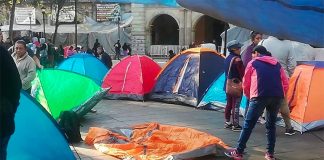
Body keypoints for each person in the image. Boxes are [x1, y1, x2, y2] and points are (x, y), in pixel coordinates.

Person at [225, 45, 289, 160]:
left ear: (256, 53)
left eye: (252, 54)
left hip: (259, 96)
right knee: (271, 125)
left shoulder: (253, 63)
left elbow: (246, 83)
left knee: (248, 125)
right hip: (276, 96)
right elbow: (285, 82)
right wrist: (280, 95)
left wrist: (250, 96)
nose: (252, 56)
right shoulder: (277, 64)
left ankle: (239, 152)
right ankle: (270, 153)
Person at [260, 36, 296, 135]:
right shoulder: (288, 44)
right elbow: (292, 64)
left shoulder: (263, 42)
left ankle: (268, 126)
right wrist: (289, 74)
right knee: (283, 103)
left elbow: (255, 58)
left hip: (264, 76)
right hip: (281, 77)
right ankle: (288, 127)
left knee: (266, 101)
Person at [1, 46, 22, 160]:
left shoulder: (2, 54)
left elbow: (15, 85)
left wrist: (9, 109)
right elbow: (16, 85)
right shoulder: (4, 53)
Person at [224, 40, 245, 131]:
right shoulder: (237, 60)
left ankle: (227, 122)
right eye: (238, 48)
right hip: (236, 85)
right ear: (233, 49)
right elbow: (242, 73)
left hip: (227, 84)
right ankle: (235, 125)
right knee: (235, 105)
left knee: (229, 103)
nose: (240, 49)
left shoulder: (227, 58)